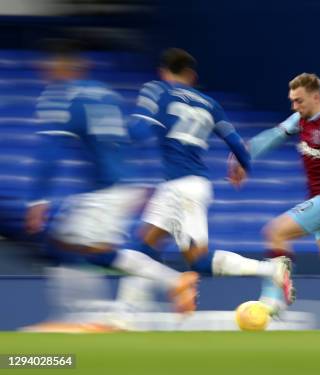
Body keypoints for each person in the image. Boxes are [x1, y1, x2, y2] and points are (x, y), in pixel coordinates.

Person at [24, 40, 199, 324]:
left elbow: (50, 152)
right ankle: (74, 317)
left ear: (58, 67)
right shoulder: (105, 94)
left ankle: (172, 283)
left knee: (92, 252)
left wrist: (37, 200)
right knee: (65, 243)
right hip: (119, 186)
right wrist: (144, 180)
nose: (43, 72)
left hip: (108, 189)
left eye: (46, 67)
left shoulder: (60, 96)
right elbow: (135, 136)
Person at [123, 48, 293, 311]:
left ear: (163, 72)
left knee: (199, 262)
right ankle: (125, 315)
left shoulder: (158, 91)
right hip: (189, 186)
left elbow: (138, 129)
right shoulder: (209, 103)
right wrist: (242, 167)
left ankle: (270, 269)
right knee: (142, 248)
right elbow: (237, 143)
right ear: (191, 75)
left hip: (181, 188)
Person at [229, 73, 320, 309]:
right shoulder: (301, 118)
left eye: (299, 101)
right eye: (292, 100)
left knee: (275, 233)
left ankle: (272, 302)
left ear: (315, 97)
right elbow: (273, 136)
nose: (294, 106)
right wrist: (245, 155)